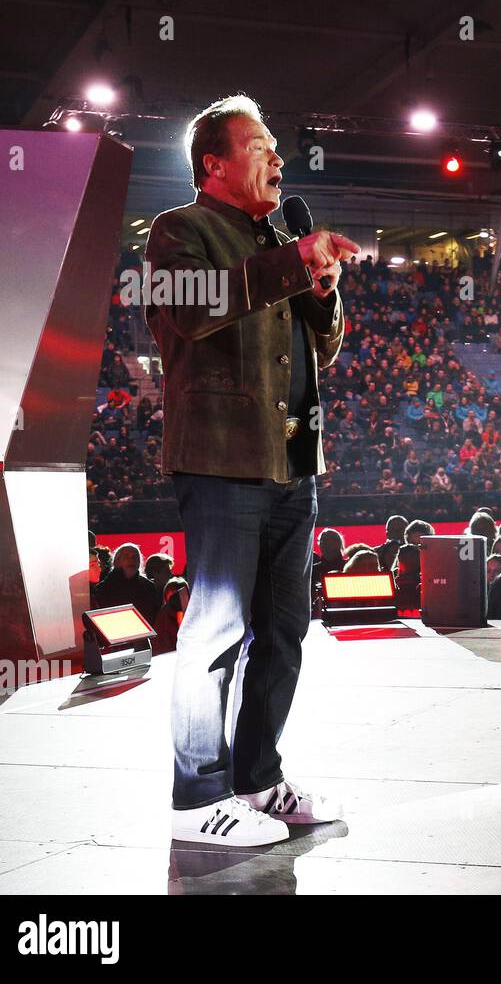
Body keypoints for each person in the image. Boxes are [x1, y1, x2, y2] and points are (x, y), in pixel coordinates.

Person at [146, 94, 358, 846]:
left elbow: (321, 351)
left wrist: (323, 288)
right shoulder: (181, 231)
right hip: (223, 461)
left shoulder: (276, 239)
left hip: (294, 464)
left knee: (284, 629)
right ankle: (197, 799)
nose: (276, 159)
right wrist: (294, 260)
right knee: (217, 633)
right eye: (260, 146)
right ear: (215, 163)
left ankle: (258, 780)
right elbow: (192, 308)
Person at [93, 543, 162, 626]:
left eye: (135, 557)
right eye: (126, 557)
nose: (131, 560)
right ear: (117, 561)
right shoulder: (103, 589)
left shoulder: (149, 588)